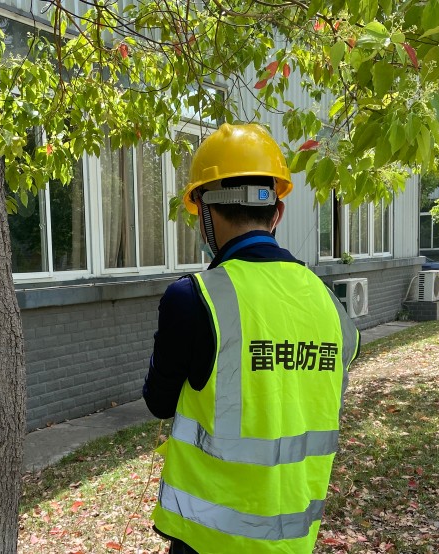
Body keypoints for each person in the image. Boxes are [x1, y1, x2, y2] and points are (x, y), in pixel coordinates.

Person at [142, 123, 360, 554]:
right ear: (275, 213)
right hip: (294, 540)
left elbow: (159, 402)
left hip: (207, 540)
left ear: (205, 214)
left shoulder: (193, 299)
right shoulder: (329, 304)